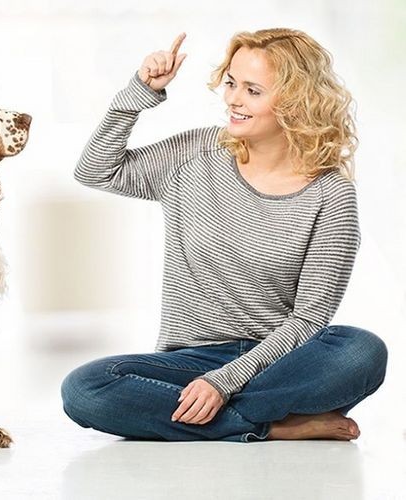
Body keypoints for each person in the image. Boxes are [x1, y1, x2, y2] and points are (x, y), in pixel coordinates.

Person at [60, 28, 388, 442]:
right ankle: (273, 426)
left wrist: (225, 382)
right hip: (189, 361)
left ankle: (207, 417)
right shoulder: (197, 154)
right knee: (85, 388)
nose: (233, 99)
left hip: (280, 361)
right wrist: (139, 92)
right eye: (231, 83)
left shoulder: (331, 194)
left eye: (253, 90)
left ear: (296, 101)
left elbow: (309, 319)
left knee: (362, 351)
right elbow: (96, 170)